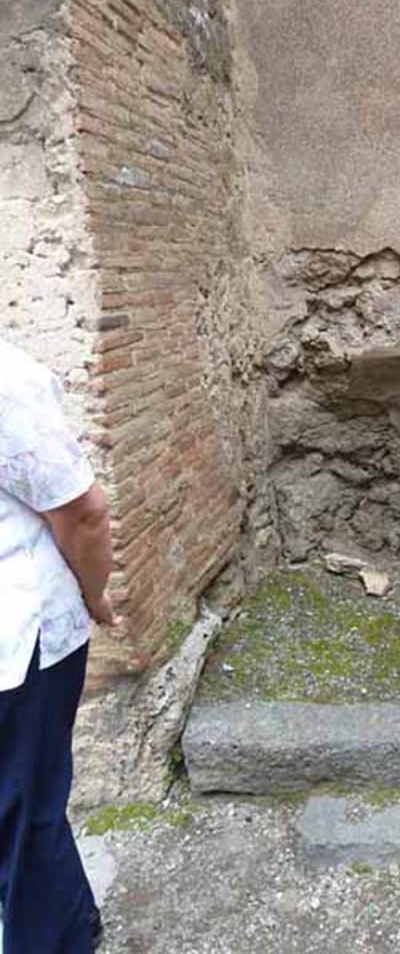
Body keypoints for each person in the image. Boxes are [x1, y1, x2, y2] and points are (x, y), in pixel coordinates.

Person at [0, 338, 118, 953]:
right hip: (16, 639)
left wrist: (93, 594)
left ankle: (63, 928)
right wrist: (94, 594)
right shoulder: (6, 379)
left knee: (21, 805)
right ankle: (62, 930)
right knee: (26, 808)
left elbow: (81, 510)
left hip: (16, 641)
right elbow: (83, 511)